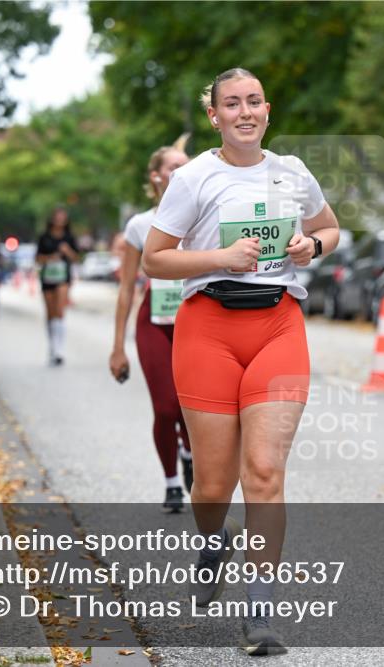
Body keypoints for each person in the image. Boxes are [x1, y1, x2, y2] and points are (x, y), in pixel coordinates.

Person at [142, 68, 340, 655]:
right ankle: (213, 539)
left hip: (279, 324)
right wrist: (221, 257)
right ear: (215, 116)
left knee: (264, 472)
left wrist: (312, 245)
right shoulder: (194, 177)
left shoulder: (292, 172)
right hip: (208, 330)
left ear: (267, 111)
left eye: (254, 101)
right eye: (232, 104)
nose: (245, 112)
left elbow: (330, 228)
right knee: (212, 486)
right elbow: (155, 259)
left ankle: (259, 612)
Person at [109, 139, 194, 513]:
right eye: (174, 166)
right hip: (155, 322)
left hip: (197, 323)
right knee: (165, 407)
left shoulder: (204, 216)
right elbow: (126, 289)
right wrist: (117, 347)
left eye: (186, 165)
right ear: (156, 177)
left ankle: (189, 453)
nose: (182, 171)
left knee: (192, 407)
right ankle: (172, 482)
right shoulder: (140, 225)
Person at [36, 208, 79, 366]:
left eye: (63, 217)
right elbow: (38, 258)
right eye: (58, 217)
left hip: (63, 277)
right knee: (50, 313)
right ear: (53, 219)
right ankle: (52, 346)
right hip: (48, 277)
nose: (60, 220)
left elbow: (76, 258)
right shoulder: (44, 237)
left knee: (60, 311)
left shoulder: (69, 237)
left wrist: (67, 251)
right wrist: (50, 257)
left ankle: (59, 349)